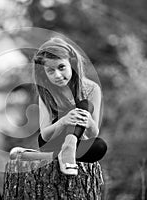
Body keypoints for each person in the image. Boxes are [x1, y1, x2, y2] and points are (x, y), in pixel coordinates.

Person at [10, 37, 107, 175]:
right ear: (44, 73)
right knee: (76, 111)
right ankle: (64, 152)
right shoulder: (46, 92)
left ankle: (49, 155)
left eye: (61, 67)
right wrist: (64, 120)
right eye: (50, 71)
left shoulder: (92, 89)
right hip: (52, 142)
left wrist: (87, 120)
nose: (58, 75)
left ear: (72, 64)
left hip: (77, 144)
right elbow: (45, 135)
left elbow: (93, 133)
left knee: (99, 145)